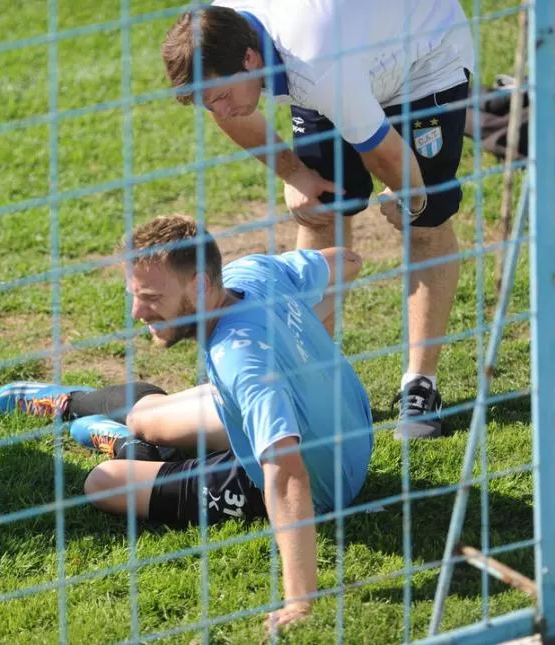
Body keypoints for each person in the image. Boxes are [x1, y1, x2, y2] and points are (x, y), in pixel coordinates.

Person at [0, 214, 374, 632]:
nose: (136, 311)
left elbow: (287, 476)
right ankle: (70, 404)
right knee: (147, 417)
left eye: (151, 296)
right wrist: (306, 353)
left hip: (325, 483)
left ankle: (132, 453)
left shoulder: (241, 361)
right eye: (134, 294)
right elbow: (347, 261)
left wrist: (299, 603)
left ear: (201, 286)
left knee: (103, 482)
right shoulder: (252, 274)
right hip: (347, 427)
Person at [160, 0, 476, 439]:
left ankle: (420, 387)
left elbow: (384, 154)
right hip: (344, 57)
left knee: (424, 223)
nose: (221, 109)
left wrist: (412, 198)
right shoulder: (220, 32)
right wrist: (294, 173)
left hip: (423, 60)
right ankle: (307, 376)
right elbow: (230, 115)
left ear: (251, 59)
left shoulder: (316, 70)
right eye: (208, 102)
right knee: (319, 210)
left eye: (222, 95)